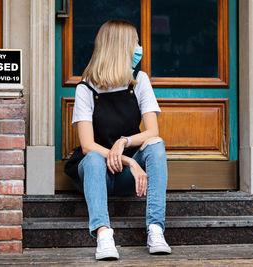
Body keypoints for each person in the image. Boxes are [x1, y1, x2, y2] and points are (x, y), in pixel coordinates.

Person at [65, 19, 171, 260]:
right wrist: (130, 161)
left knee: (156, 145)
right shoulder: (86, 88)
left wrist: (123, 141)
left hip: (127, 179)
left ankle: (155, 229)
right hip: (97, 174)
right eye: (135, 42)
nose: (139, 48)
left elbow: (152, 130)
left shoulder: (139, 80)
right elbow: (87, 145)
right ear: (120, 46)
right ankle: (103, 235)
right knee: (91, 157)